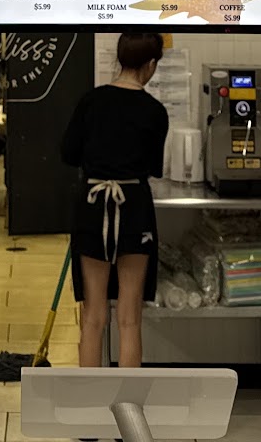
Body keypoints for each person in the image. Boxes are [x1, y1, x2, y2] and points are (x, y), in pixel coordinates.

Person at [61, 30, 170, 367]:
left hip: (93, 207)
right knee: (129, 316)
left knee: (93, 316)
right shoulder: (154, 111)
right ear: (150, 65)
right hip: (134, 207)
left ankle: (90, 396)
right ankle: (128, 398)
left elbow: (68, 154)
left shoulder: (90, 101)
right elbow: (154, 168)